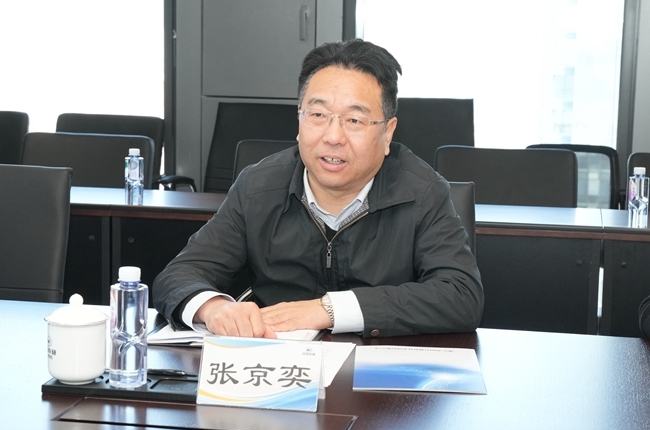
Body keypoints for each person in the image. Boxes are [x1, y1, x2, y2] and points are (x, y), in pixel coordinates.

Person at [153, 39, 483, 338]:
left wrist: (328, 309)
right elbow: (178, 275)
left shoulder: (423, 192)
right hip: (276, 367)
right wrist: (215, 309)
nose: (333, 137)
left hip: (378, 373)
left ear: (387, 133)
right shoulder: (257, 187)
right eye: (318, 114)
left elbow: (461, 295)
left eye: (354, 120)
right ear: (299, 121)